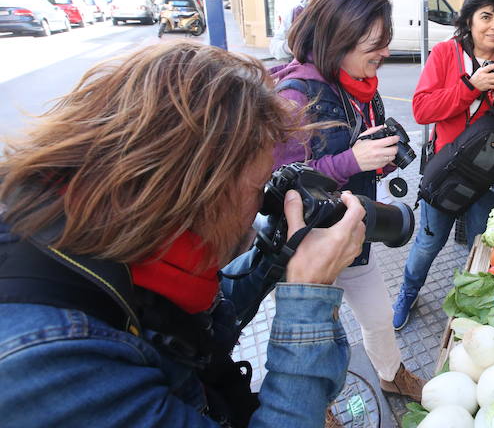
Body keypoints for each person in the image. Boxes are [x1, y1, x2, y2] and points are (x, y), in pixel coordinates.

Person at [0, 41, 366, 427]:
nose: (260, 203)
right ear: (198, 192)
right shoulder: (56, 366)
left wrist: (278, 256)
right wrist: (308, 299)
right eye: (258, 185)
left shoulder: (107, 237)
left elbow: (181, 321)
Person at [271, 0, 425, 421]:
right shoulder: (295, 98)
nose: (384, 54)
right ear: (337, 37)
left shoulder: (358, 85)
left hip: (355, 233)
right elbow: (277, 184)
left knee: (378, 318)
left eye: (385, 42)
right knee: (318, 340)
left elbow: (350, 157)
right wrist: (349, 159)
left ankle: (392, 374)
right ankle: (319, 411)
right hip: (311, 250)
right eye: (373, 44)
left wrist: (373, 160)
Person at [392, 0, 494, 330]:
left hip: (491, 177)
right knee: (428, 244)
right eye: (486, 16)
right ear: (469, 21)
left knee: (481, 247)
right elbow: (422, 109)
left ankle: (475, 307)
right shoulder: (445, 54)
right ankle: (408, 292)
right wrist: (470, 87)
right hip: (446, 173)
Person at [269, 0, 334, 61]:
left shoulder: (340, 11)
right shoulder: (294, 13)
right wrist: (290, 47)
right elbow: (274, 46)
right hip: (302, 72)